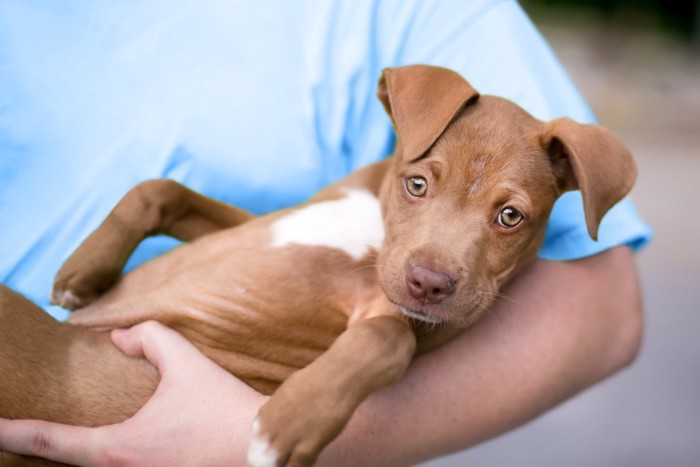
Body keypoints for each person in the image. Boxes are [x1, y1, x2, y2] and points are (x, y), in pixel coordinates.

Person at [0, 0, 651, 465]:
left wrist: (242, 438)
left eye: (508, 216)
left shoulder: (414, 17)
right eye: (419, 185)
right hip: (63, 345)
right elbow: (268, 243)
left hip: (101, 387)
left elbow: (602, 310)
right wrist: (153, 206)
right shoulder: (374, 191)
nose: (434, 266)